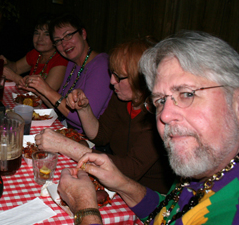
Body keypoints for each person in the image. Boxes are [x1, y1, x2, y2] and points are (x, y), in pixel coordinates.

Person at [58, 31, 239, 225]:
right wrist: (121, 182)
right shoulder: (202, 171)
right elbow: (167, 212)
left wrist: (85, 206)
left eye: (187, 94)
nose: (165, 115)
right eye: (160, 101)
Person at [36, 37, 174, 193]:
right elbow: (100, 136)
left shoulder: (160, 115)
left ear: (142, 80)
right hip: (115, 183)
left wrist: (64, 145)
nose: (111, 81)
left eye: (119, 77)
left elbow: (131, 169)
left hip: (146, 196)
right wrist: (84, 109)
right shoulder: (122, 99)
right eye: (112, 74)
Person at [18, 13, 112, 133]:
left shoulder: (101, 65)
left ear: (83, 34)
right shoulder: (72, 63)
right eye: (58, 41)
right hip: (65, 129)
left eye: (68, 35)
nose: (64, 44)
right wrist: (38, 90)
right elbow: (59, 108)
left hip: (89, 142)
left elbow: (80, 119)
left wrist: (47, 90)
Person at [0, 13, 68, 91]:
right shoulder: (36, 53)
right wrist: (6, 62)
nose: (40, 39)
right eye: (37, 33)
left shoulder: (61, 59)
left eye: (46, 34)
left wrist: (15, 78)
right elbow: (16, 68)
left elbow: (46, 93)